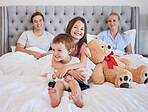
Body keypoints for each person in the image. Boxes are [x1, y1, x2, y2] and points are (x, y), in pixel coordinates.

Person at [47, 33, 87, 108]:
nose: (55, 53)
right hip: (61, 82)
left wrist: (72, 78)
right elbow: (48, 75)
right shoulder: (55, 63)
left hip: (72, 83)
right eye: (53, 49)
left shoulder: (75, 61)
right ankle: (56, 98)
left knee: (73, 82)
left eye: (59, 50)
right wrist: (54, 75)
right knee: (58, 84)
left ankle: (77, 98)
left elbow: (82, 75)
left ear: (69, 51)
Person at [52, 16, 88, 81]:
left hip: (74, 67)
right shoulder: (62, 41)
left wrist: (67, 68)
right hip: (64, 66)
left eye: (82, 29)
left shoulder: (83, 47)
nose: (78, 30)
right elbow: (54, 63)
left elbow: (83, 63)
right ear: (70, 28)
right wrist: (71, 72)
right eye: (75, 27)